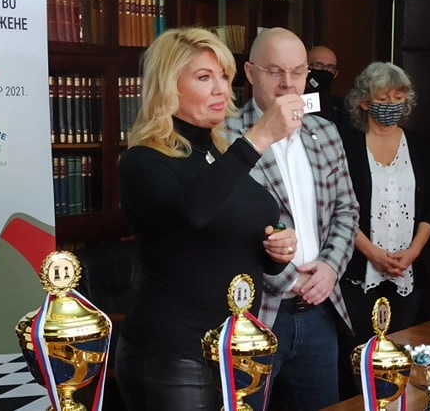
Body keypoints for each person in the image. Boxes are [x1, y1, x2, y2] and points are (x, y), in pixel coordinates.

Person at [114, 27, 304, 411]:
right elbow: (191, 215)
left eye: (224, 76)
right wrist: (256, 139)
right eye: (204, 77)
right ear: (168, 86)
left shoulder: (218, 154)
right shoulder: (143, 160)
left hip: (235, 348)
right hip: (174, 354)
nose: (221, 89)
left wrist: (276, 251)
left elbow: (235, 237)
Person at [225, 27, 359, 411]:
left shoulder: (325, 132)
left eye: (298, 71)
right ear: (250, 73)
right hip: (254, 313)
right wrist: (290, 280)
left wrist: (330, 268)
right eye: (275, 71)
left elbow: (347, 210)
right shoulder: (227, 134)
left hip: (319, 310)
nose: (288, 83)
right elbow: (228, 231)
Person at [334, 62, 430, 399]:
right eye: (383, 98)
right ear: (365, 102)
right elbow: (337, 208)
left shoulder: (420, 148)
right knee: (358, 359)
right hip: (357, 273)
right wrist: (373, 254)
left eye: (398, 97)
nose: (392, 105)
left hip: (407, 273)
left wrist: (412, 253)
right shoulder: (346, 146)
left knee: (401, 358)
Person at [305, 44, 345, 128]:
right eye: (318, 65)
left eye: (330, 67)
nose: (324, 70)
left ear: (336, 74)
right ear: (306, 68)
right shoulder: (294, 99)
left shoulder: (341, 106)